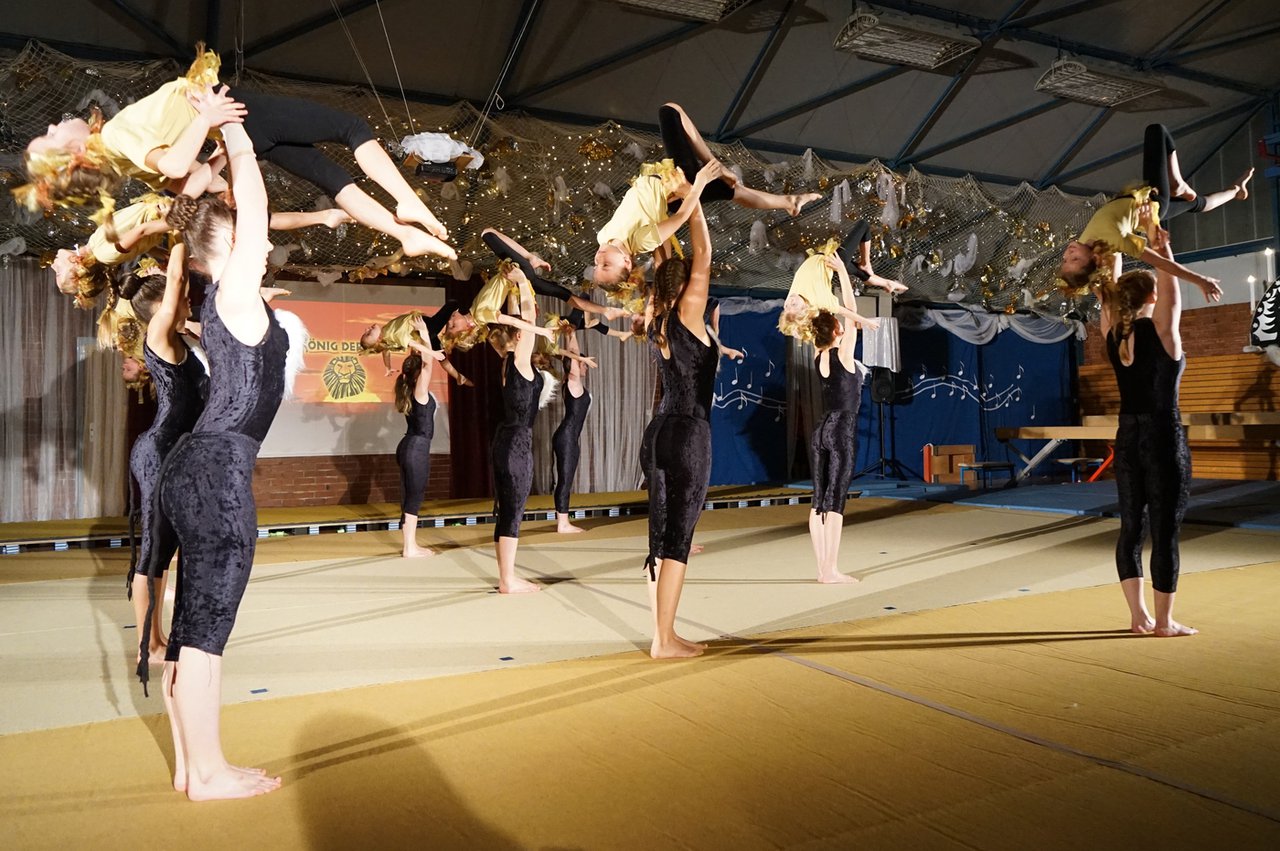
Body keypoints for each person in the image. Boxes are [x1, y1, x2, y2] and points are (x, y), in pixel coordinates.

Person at [151, 121, 289, 799]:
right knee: (206, 629)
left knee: (189, 628)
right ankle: (209, 774)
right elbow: (254, 206)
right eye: (252, 240)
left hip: (194, 468)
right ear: (232, 245)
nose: (263, 245)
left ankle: (190, 764)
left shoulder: (225, 303)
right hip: (217, 475)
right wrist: (235, 133)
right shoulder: (231, 291)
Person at [18, 47, 455, 260]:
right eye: (51, 135)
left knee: (330, 177)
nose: (54, 124)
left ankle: (404, 235)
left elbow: (192, 182)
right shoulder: (115, 136)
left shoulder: (125, 161)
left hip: (239, 134)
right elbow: (175, 165)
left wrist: (220, 152)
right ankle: (406, 202)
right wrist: (207, 119)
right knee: (351, 127)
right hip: (241, 114)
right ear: (72, 153)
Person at [1096, 221, 1210, 637]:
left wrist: (1116, 248)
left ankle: (1138, 617)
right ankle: (1164, 621)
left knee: (1131, 527)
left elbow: (1108, 292)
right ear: (1153, 297)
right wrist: (1162, 248)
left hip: (1127, 438)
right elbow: (1171, 290)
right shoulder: (1162, 332)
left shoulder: (1113, 334)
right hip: (1163, 437)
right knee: (1165, 530)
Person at [593, 103, 821, 292]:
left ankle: (788, 202)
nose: (599, 259)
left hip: (666, 185)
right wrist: (699, 182)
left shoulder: (603, 237)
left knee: (730, 191)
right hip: (682, 183)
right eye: (606, 265)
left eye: (597, 264)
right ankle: (717, 165)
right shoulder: (642, 240)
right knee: (669, 110)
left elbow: (650, 231)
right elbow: (681, 218)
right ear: (626, 261)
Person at [639, 197, 720, 659]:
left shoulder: (658, 315)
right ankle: (664, 639)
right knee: (677, 542)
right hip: (689, 434)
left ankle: (662, 633)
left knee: (659, 537)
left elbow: (662, 256)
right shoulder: (687, 312)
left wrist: (663, 218)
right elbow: (703, 253)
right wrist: (696, 197)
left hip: (658, 433)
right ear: (688, 284)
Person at [121, 246, 206, 665]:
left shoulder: (178, 338)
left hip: (175, 452)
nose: (188, 302)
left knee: (166, 548)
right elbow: (175, 282)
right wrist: (181, 240)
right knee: (153, 551)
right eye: (181, 298)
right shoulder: (158, 334)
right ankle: (147, 645)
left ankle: (158, 636)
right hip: (158, 452)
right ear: (160, 306)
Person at [1058, 123, 1249, 295]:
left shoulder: (1093, 245)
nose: (1069, 254)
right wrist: (1200, 280)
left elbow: (1112, 272)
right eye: (1075, 259)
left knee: (1198, 204)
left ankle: (1235, 191)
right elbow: (1162, 263)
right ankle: (1177, 184)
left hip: (1143, 200)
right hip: (1155, 200)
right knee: (1156, 131)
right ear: (1093, 259)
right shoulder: (1115, 241)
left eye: (1066, 260)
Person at [808, 255, 879, 584]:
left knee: (818, 500)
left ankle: (822, 567)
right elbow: (851, 310)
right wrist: (843, 275)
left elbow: (839, 316)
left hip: (820, 430)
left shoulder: (817, 354)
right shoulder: (843, 352)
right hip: (840, 431)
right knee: (835, 499)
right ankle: (830, 570)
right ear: (837, 330)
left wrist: (826, 289)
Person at [484, 317, 558, 594]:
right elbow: (527, 321)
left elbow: (522, 317)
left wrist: (522, 295)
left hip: (507, 441)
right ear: (518, 337)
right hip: (515, 444)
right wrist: (534, 321)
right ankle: (508, 580)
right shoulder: (518, 363)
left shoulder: (509, 363)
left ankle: (507, 576)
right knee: (513, 511)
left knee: (507, 511)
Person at [777, 220, 905, 342]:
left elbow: (793, 319)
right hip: (833, 261)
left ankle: (887, 284)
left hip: (822, 258)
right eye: (794, 305)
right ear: (805, 308)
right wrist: (866, 322)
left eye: (786, 306)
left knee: (861, 273)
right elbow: (846, 312)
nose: (790, 301)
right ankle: (866, 264)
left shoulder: (792, 300)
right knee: (863, 226)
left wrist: (796, 327)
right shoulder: (821, 301)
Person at [394, 316, 447, 558]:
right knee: (415, 495)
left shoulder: (410, 388)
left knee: (409, 494)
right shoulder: (419, 391)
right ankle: (410, 547)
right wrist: (425, 333)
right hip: (416, 447)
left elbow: (421, 364)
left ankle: (410, 544)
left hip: (408, 445)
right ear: (417, 375)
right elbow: (428, 364)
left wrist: (416, 339)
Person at [360, 305, 474, 383]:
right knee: (452, 304)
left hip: (424, 331)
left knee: (442, 358)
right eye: (368, 334)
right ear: (377, 340)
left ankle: (459, 377)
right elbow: (413, 344)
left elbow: (385, 352)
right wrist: (432, 353)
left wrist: (388, 368)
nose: (367, 329)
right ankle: (461, 327)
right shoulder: (392, 334)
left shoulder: (385, 339)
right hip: (424, 326)